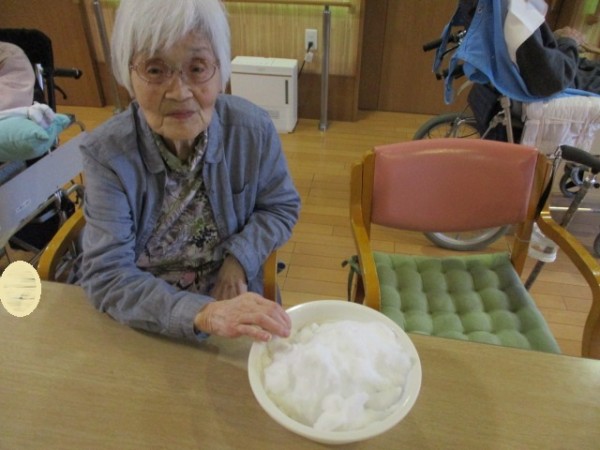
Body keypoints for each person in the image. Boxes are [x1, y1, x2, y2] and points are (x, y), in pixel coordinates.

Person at [75, 0, 300, 343]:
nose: (179, 92)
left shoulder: (252, 130)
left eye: (197, 68)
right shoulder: (107, 154)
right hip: (146, 314)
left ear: (220, 72)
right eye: (155, 70)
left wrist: (239, 259)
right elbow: (108, 274)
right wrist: (203, 313)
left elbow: (280, 206)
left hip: (236, 306)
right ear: (128, 75)